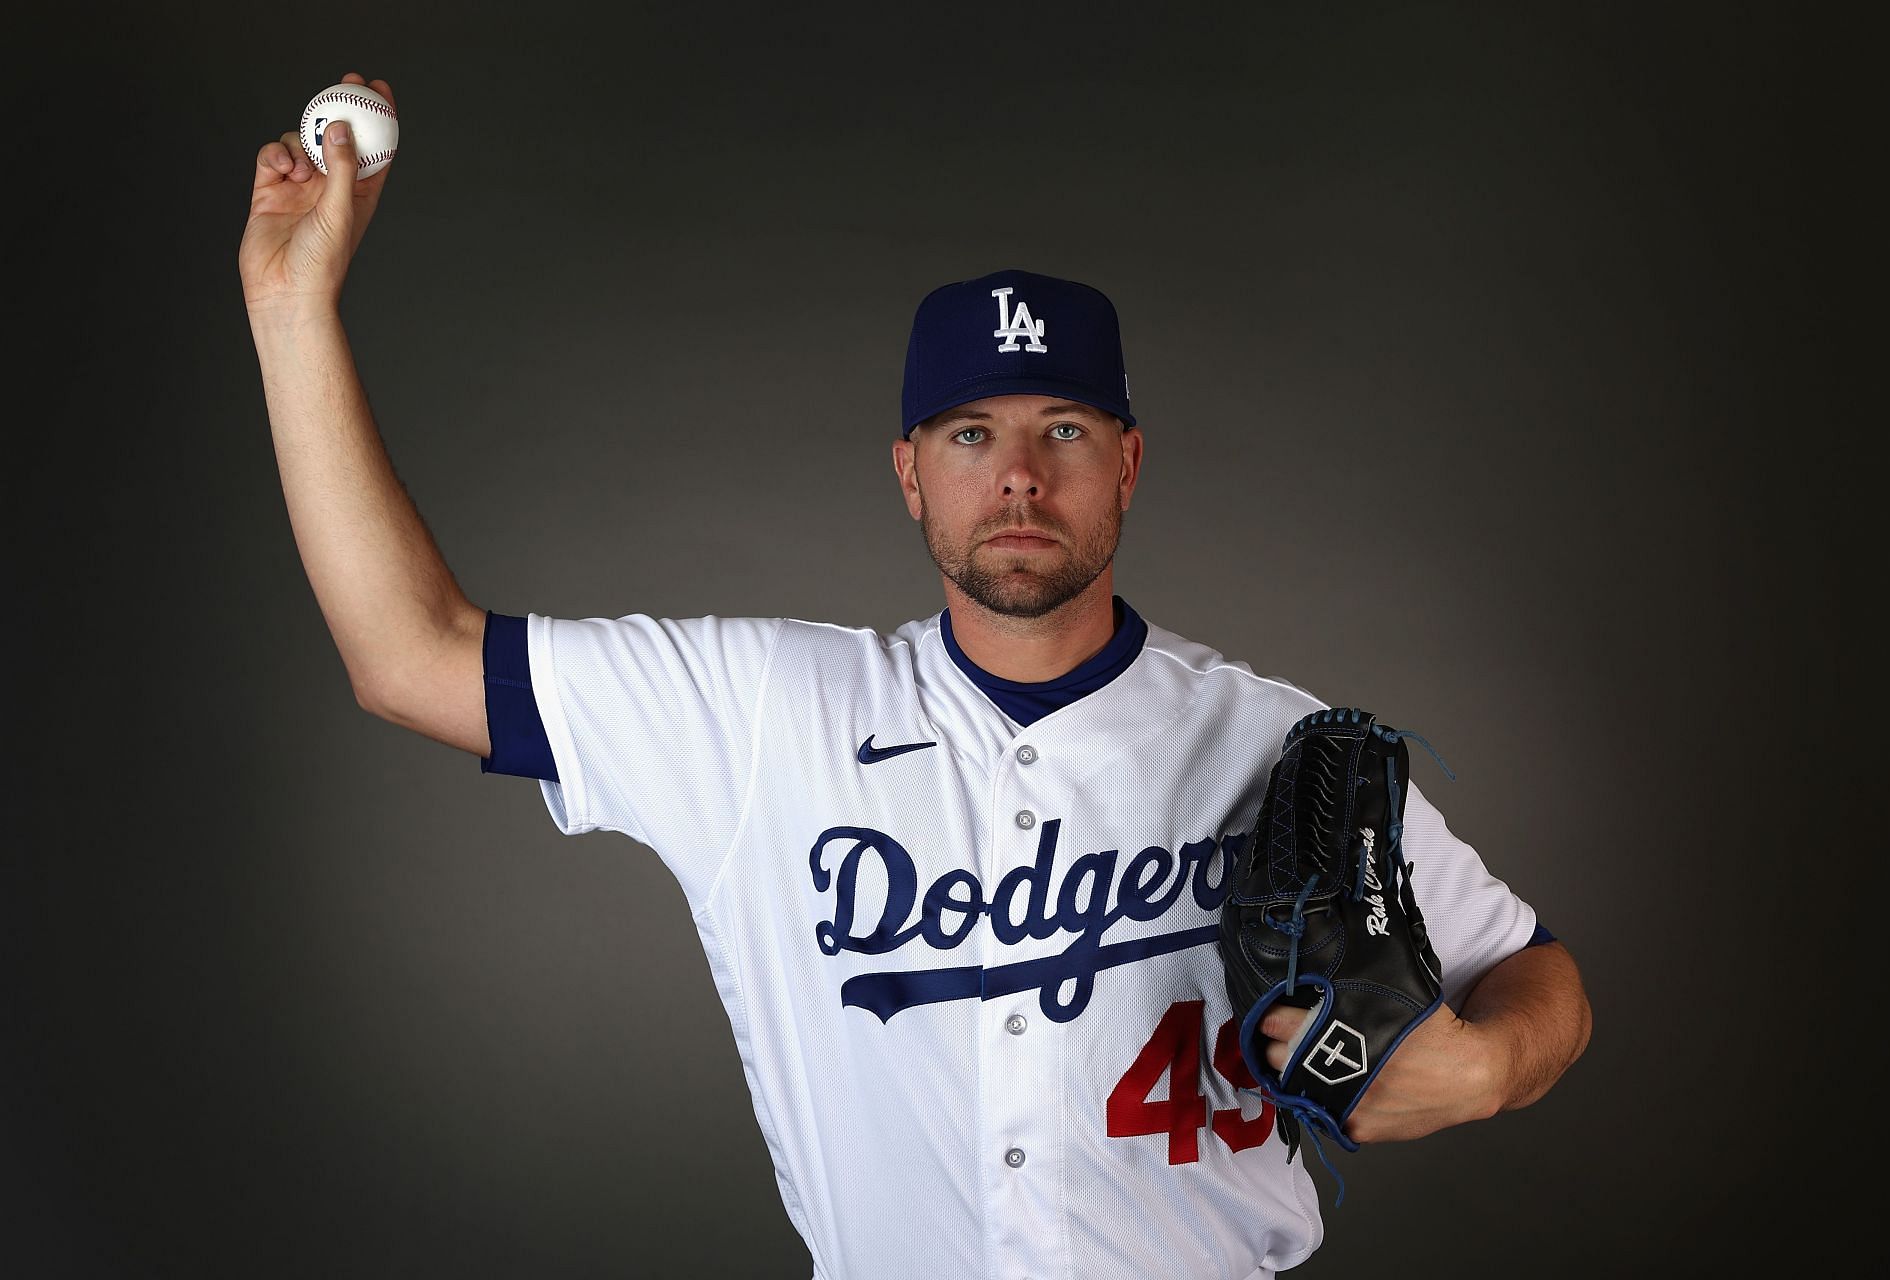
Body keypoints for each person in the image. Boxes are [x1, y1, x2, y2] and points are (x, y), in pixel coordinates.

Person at [240, 74, 1592, 1280]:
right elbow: (409, 656)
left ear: (1127, 462)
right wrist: (294, 311)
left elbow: (1539, 977)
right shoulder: (763, 717)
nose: (1017, 472)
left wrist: (1490, 1063)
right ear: (909, 473)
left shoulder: (1271, 744)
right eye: (969, 432)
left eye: (1064, 426)